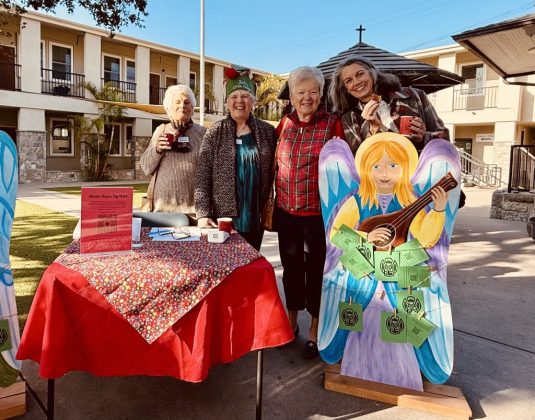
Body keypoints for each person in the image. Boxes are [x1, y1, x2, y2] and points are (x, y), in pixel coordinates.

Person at [322, 133, 450, 389]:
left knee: (401, 319)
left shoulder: (410, 201)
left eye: (393, 165)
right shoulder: (358, 201)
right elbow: (335, 234)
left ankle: (400, 376)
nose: (384, 173)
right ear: (366, 169)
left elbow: (426, 239)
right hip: (365, 274)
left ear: (405, 168)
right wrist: (366, 237)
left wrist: (438, 210)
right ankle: (359, 369)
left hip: (397, 275)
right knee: (360, 319)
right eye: (376, 166)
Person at [274, 66, 346, 359]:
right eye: (300, 92)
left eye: (312, 92)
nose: (307, 97)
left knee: (317, 273)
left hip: (318, 216)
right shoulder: (284, 124)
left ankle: (315, 331)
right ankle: (290, 325)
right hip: (286, 212)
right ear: (292, 97)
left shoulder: (332, 124)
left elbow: (343, 167)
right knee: (290, 270)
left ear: (321, 94)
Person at [194, 66, 277, 251]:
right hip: (223, 218)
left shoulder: (268, 132)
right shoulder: (215, 132)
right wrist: (203, 213)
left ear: (253, 101)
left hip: (255, 216)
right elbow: (202, 175)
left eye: (245, 96)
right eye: (234, 96)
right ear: (227, 102)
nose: (239, 101)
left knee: (251, 261)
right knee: (225, 262)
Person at [328, 56, 449, 154]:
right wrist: (373, 130)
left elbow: (444, 138)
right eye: (349, 81)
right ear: (346, 89)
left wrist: (424, 137)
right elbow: (358, 160)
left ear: (372, 74)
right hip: (379, 177)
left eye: (360, 74)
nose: (356, 82)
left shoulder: (413, 95)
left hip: (417, 173)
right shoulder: (349, 118)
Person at [140, 84, 206, 223]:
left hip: (194, 212)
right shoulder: (161, 130)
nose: (182, 105)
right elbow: (146, 168)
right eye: (177, 102)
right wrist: (157, 149)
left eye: (186, 102)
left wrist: (205, 213)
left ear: (192, 108)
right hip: (161, 211)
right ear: (169, 108)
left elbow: (211, 173)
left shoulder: (203, 133)